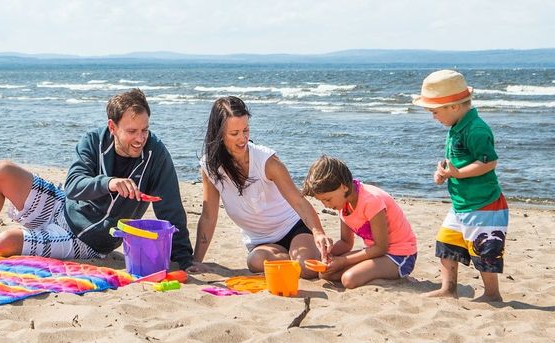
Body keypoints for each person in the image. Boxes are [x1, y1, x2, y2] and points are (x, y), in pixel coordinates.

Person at [0, 89, 195, 270]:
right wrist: (109, 182)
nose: (140, 138)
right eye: (132, 131)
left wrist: (184, 259)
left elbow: (170, 206)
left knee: (1, 244)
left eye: (145, 130)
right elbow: (73, 185)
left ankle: (32, 236)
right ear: (112, 127)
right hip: (63, 205)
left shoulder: (155, 154)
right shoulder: (94, 140)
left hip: (89, 240)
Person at [193, 96, 332, 278]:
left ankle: (313, 247)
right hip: (262, 243)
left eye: (246, 130)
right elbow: (209, 217)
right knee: (255, 262)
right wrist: (196, 261)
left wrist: (318, 232)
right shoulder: (210, 168)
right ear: (218, 134)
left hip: (293, 228)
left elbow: (298, 202)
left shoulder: (267, 161)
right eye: (234, 134)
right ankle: (298, 255)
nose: (242, 139)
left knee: (306, 270)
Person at [412, 69, 508, 302]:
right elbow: (458, 162)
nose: (433, 117)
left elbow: (489, 161)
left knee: (484, 249)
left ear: (453, 107)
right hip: (462, 204)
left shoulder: (475, 129)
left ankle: (492, 294)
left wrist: (458, 173)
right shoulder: (457, 126)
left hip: (484, 204)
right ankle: (448, 288)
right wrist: (445, 173)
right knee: (446, 242)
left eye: (435, 112)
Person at [302, 156, 418, 289]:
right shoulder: (344, 204)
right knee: (325, 274)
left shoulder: (371, 201)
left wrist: (342, 261)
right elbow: (346, 243)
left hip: (399, 256)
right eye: (322, 201)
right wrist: (327, 253)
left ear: (343, 187)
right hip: (375, 252)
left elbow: (381, 247)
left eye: (328, 199)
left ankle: (394, 280)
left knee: (349, 279)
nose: (326, 205)